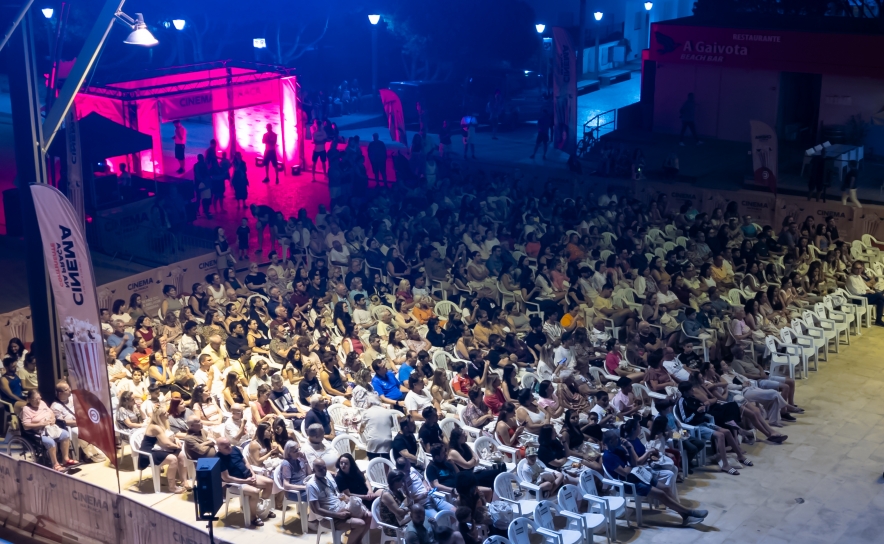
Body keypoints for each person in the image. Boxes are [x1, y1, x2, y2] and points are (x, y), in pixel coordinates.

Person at [601, 430, 708, 526]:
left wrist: (629, 447)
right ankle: (689, 512)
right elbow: (624, 473)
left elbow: (634, 463)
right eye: (617, 439)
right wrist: (630, 467)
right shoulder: (607, 457)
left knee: (665, 488)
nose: (620, 440)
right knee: (661, 494)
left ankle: (685, 516)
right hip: (627, 484)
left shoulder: (618, 449)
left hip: (637, 475)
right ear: (610, 441)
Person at [307, 459, 372, 543]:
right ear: (313, 470)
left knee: (369, 516)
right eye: (320, 469)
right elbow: (316, 510)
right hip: (329, 517)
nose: (323, 471)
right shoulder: (311, 485)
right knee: (360, 524)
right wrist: (337, 515)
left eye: (324, 468)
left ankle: (356, 541)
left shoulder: (328, 475)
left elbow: (337, 494)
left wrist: (347, 500)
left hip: (342, 508)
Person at [217, 436, 276, 526]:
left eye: (229, 445)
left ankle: (262, 509)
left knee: (269, 483)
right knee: (255, 492)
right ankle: (253, 516)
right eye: (226, 447)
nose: (229, 448)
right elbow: (227, 478)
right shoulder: (218, 458)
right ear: (219, 448)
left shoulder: (235, 449)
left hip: (248, 477)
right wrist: (246, 481)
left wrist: (252, 474)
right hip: (235, 484)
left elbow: (246, 463)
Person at [51, 380, 107, 462]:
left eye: (69, 387)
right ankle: (93, 455)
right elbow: (61, 422)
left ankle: (99, 450)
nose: (70, 390)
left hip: (81, 421)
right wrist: (77, 422)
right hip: (70, 426)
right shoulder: (55, 406)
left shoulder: (72, 398)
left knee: (99, 425)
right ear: (60, 393)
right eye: (66, 389)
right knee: (81, 432)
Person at [21, 390, 73, 472]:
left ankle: (65, 459)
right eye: (35, 399)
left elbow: (51, 412)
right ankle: (55, 464)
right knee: (50, 442)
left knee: (65, 434)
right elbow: (26, 425)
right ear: (29, 400)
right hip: (38, 432)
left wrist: (53, 419)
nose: (38, 401)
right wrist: (41, 424)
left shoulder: (42, 403)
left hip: (50, 428)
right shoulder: (26, 409)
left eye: (39, 398)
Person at [846, 262, 884, 326]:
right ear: (853, 269)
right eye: (856, 268)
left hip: (864, 296)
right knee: (879, 295)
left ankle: (878, 320)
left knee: (880, 301)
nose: (859, 270)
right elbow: (857, 291)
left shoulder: (858, 276)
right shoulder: (851, 278)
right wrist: (867, 291)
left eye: (860, 268)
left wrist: (869, 290)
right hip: (857, 299)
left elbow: (864, 286)